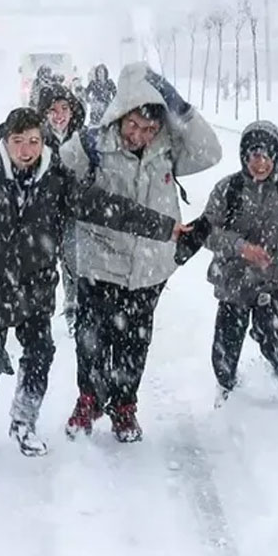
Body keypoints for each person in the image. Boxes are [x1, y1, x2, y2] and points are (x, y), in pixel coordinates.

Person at [0, 107, 189, 455]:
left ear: (43, 143)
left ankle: (24, 423)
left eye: (34, 141)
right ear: (4, 143)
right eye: (18, 142)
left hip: (35, 287)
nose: (26, 150)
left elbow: (106, 207)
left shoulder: (56, 181)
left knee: (40, 354)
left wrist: (163, 226)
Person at [60, 63, 222, 443]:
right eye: (133, 125)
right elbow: (56, 181)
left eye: (149, 129)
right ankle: (88, 399)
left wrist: (180, 108)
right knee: (92, 337)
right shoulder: (91, 145)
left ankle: (124, 405)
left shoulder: (167, 148)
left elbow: (211, 152)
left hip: (150, 266)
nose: (139, 135)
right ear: (119, 115)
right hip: (99, 261)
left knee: (134, 340)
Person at [200, 121, 278, 408]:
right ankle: (226, 388)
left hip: (271, 278)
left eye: (266, 156)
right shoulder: (228, 189)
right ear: (244, 157)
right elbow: (206, 232)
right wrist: (240, 247)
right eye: (253, 156)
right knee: (225, 344)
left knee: (267, 327)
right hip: (233, 279)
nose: (260, 163)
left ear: (277, 157)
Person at [36, 83, 87, 336]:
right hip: (43, 215)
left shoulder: (82, 138)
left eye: (64, 108)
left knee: (73, 263)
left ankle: (73, 309)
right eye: (53, 110)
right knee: (43, 266)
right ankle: (40, 314)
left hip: (72, 213)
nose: (59, 115)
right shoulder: (36, 139)